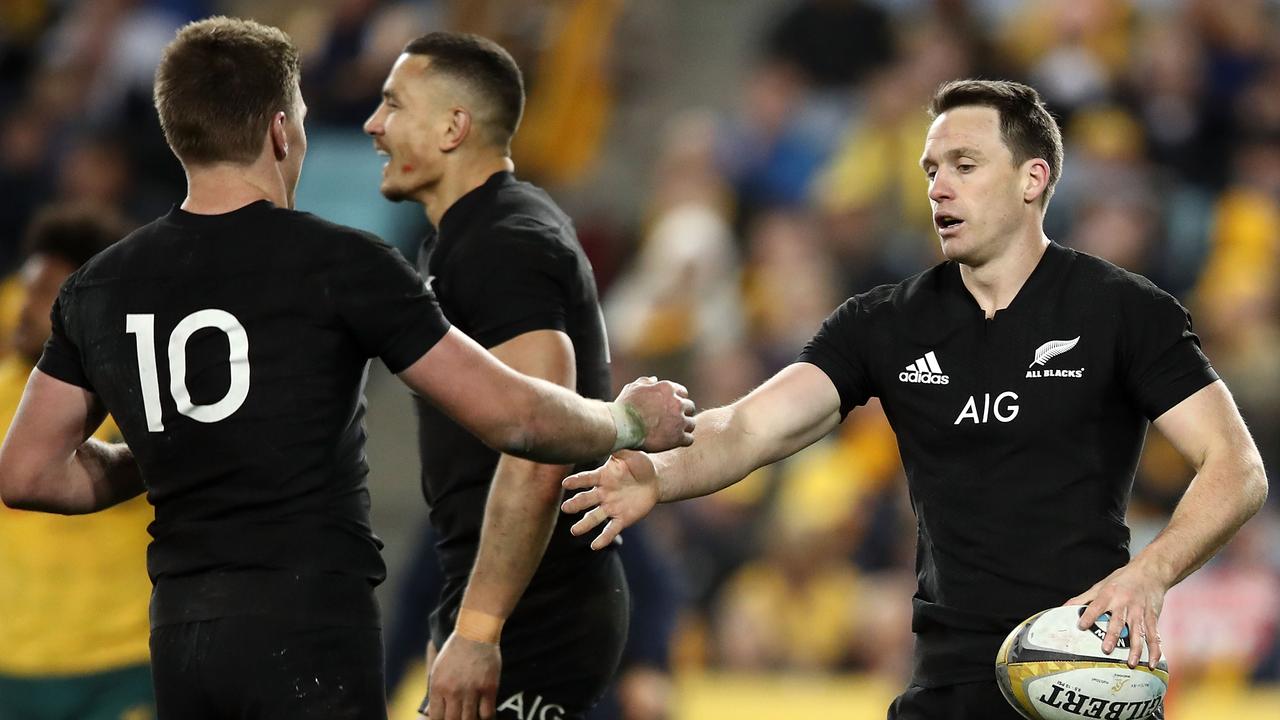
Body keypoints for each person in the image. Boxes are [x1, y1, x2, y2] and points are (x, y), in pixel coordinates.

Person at [0, 17, 695, 720]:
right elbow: (516, 415)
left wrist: (176, 451)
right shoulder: (341, 264)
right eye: (302, 117)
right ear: (280, 130)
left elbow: (27, 473)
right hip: (308, 627)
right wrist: (628, 419)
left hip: (181, 636)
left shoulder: (97, 287)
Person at [562, 79, 1270, 720]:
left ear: (1033, 179)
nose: (938, 188)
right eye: (931, 169)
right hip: (947, 685)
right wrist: (654, 475)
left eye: (964, 165)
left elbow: (1236, 467)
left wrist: (1149, 575)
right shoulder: (886, 322)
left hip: (1079, 680)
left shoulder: (1122, 310)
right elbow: (748, 428)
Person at [361, 32, 634, 720]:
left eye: (393, 104)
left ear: (454, 127)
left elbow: (540, 438)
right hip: (516, 609)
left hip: (534, 618)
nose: (373, 124)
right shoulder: (469, 238)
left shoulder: (502, 243)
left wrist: (480, 631)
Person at [0, 204, 154, 720]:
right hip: (10, 670)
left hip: (119, 669)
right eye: (27, 288)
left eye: (46, 294)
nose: (25, 307)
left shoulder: (145, 397)